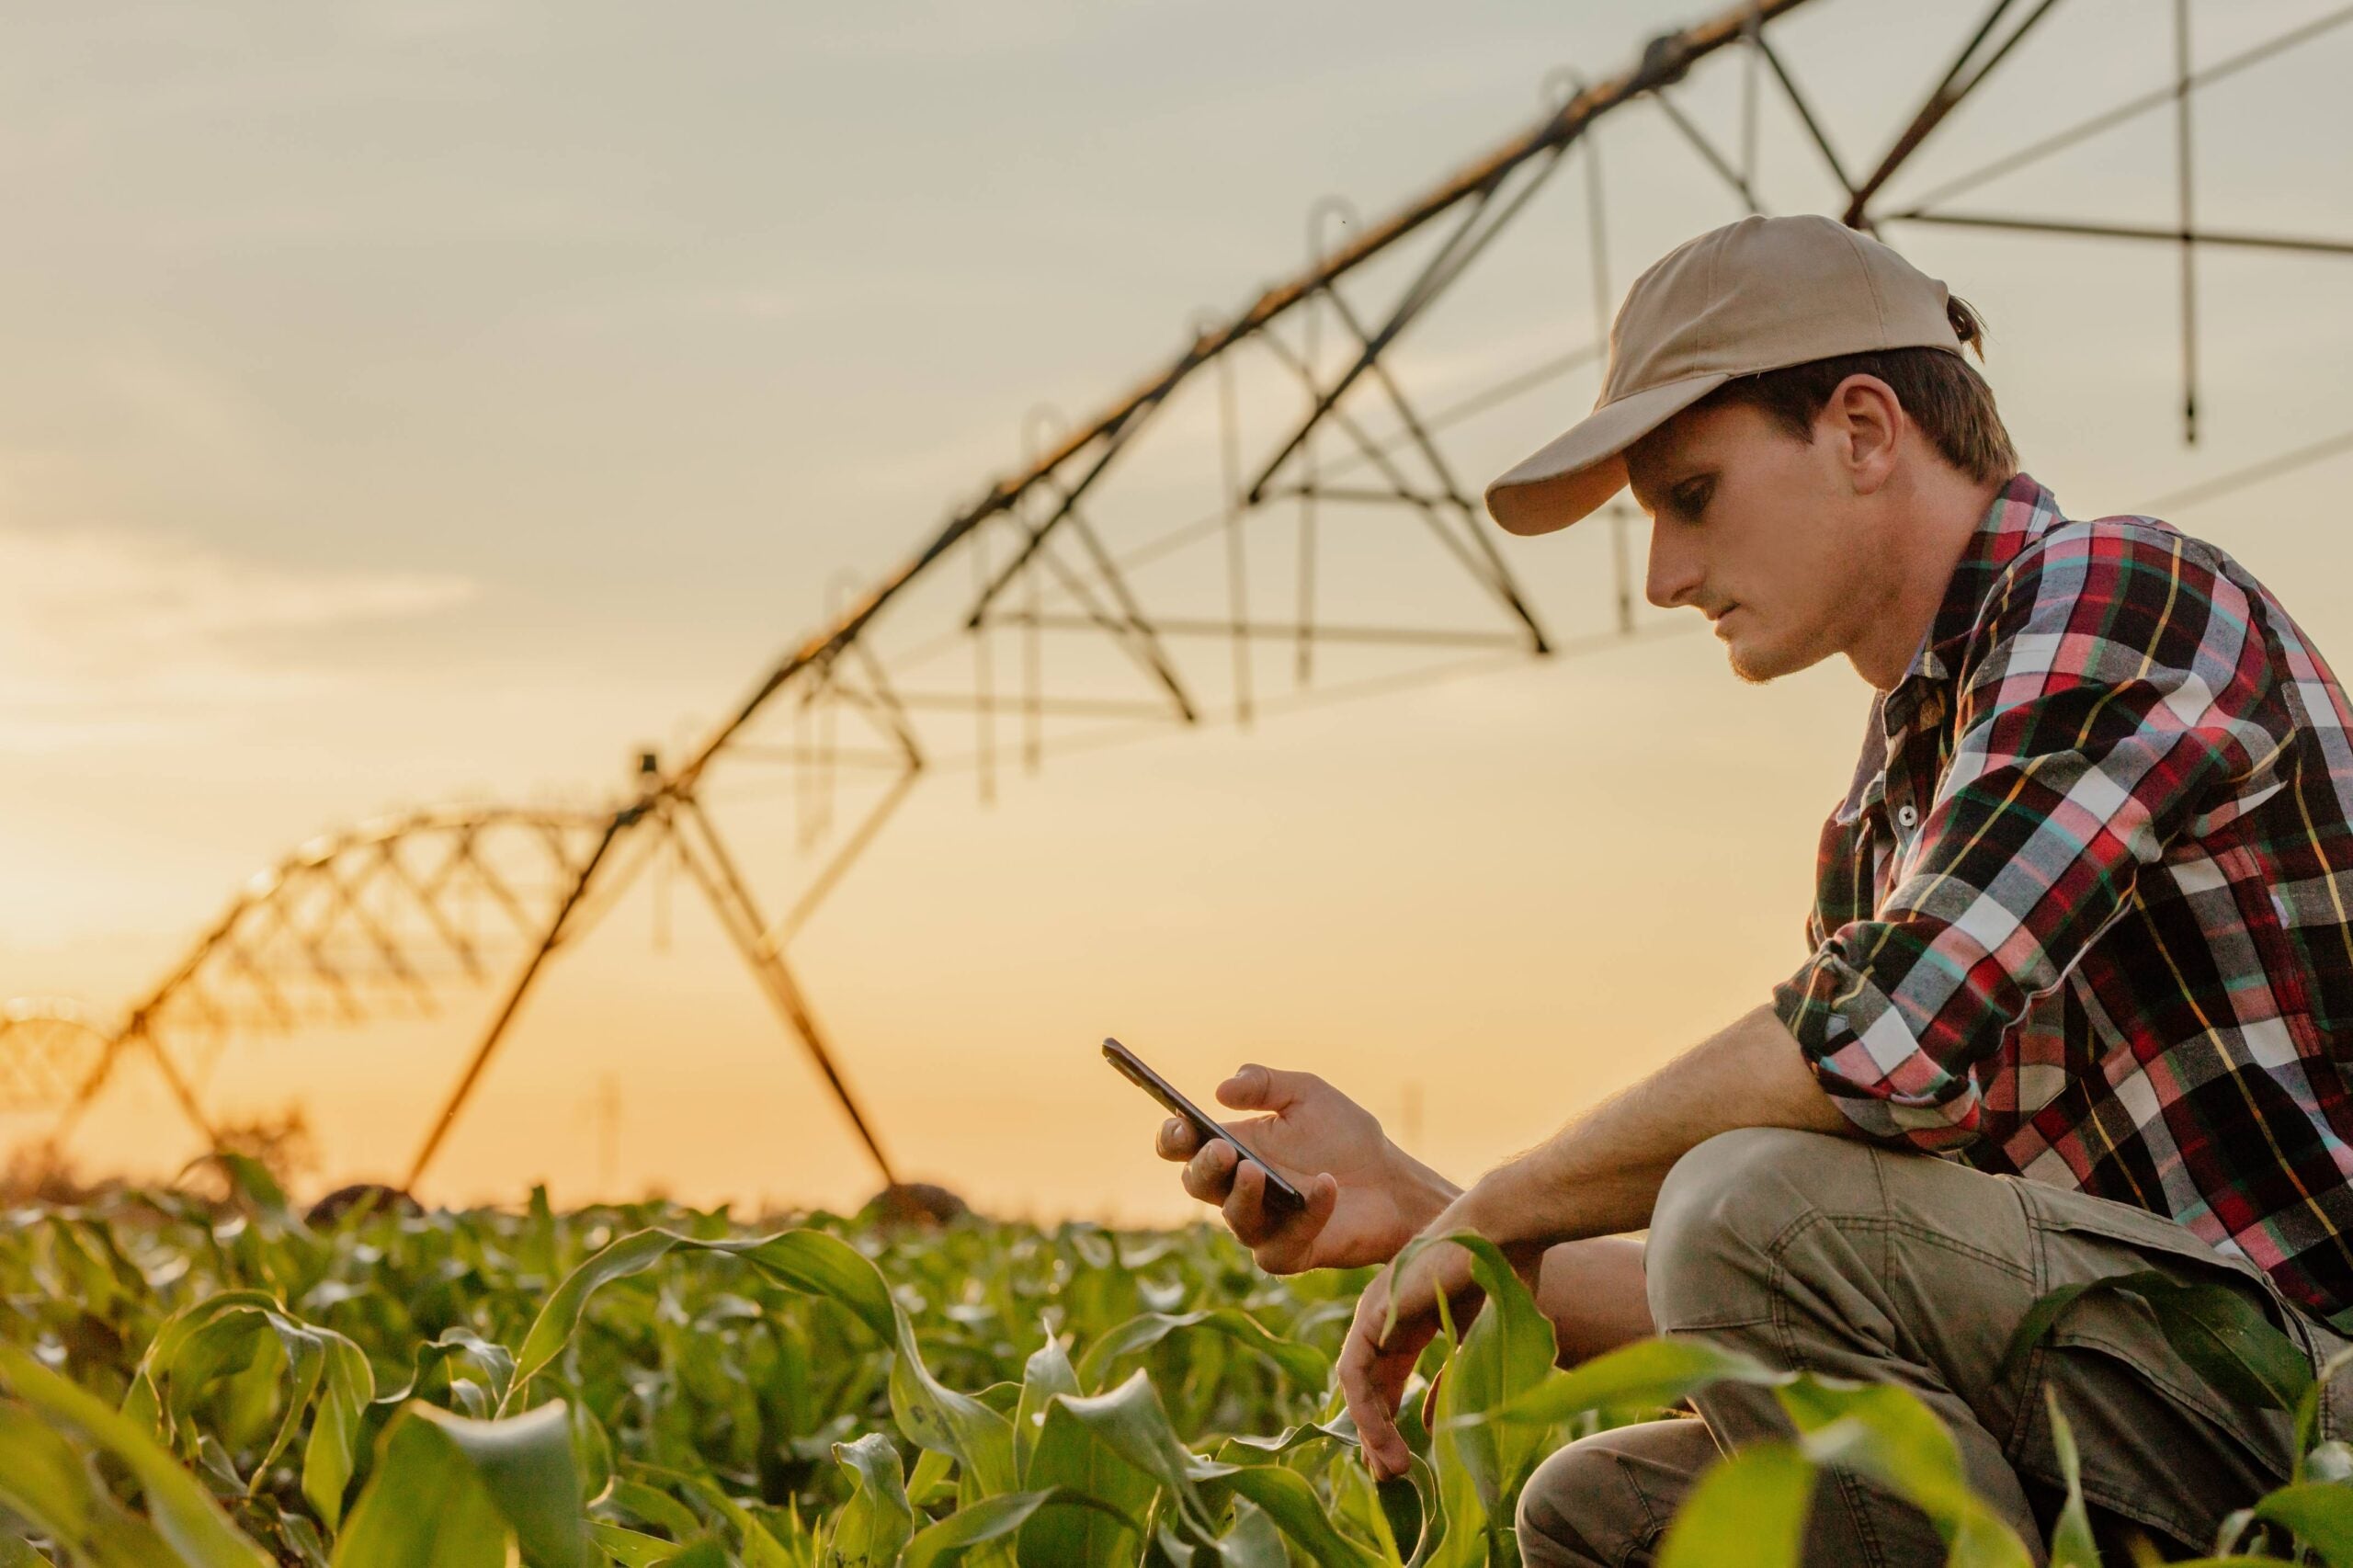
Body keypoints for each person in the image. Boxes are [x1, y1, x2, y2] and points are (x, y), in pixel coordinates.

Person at [1154, 213, 2353, 1563]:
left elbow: (1863, 1063)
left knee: (1744, 1195)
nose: (1663, 573)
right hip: (2159, 1402)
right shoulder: (1884, 821)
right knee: (1597, 1513)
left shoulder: (2121, 593)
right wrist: (1430, 1218)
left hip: (2322, 1399)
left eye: (1690, 495)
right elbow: (1785, 1302)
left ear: (1860, 429)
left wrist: (1502, 1199)